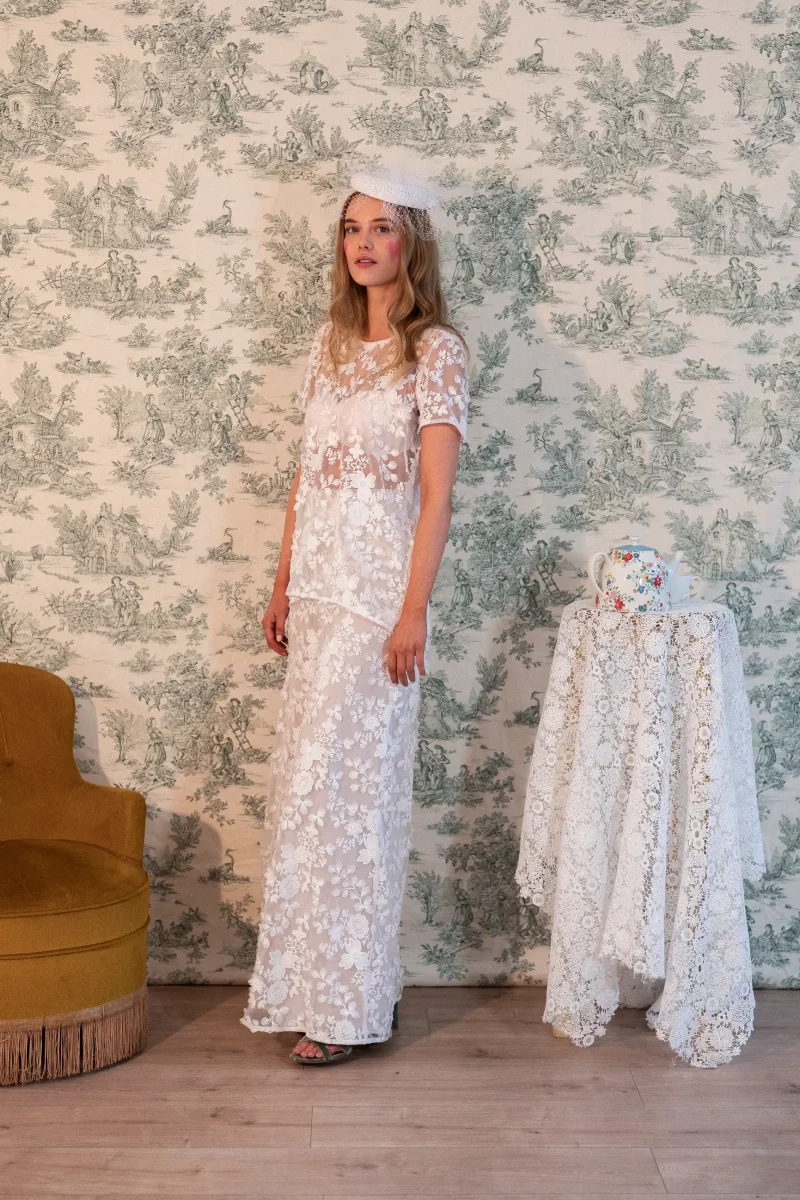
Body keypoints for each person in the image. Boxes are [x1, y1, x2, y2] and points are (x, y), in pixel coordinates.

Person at [242, 168, 470, 1066]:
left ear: (412, 241)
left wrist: (414, 611)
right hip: (316, 598)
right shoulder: (328, 348)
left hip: (378, 606)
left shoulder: (436, 352)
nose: (363, 244)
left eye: (381, 228)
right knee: (309, 793)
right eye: (350, 229)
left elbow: (436, 499)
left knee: (357, 798)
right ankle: (316, 992)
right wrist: (281, 584)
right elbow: (306, 478)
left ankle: (348, 1008)